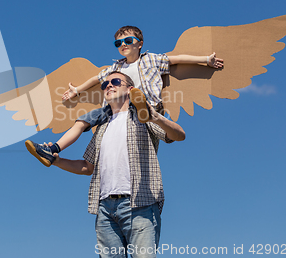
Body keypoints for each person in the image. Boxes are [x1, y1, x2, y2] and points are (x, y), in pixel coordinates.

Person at [26, 26, 221, 167]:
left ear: (140, 44)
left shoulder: (152, 59)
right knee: (82, 121)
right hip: (112, 110)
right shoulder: (115, 68)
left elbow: (177, 59)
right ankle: (53, 150)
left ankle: (142, 107)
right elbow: (96, 78)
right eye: (119, 43)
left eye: (128, 41)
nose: (123, 45)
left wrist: (205, 60)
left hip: (146, 106)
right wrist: (77, 90)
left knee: (147, 112)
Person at [52, 71, 185, 258]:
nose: (108, 86)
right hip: (105, 208)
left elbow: (178, 135)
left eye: (115, 81)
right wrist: (57, 161)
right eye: (104, 85)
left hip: (140, 203)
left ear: (130, 89)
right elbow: (87, 166)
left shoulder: (142, 115)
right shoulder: (102, 127)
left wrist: (155, 116)